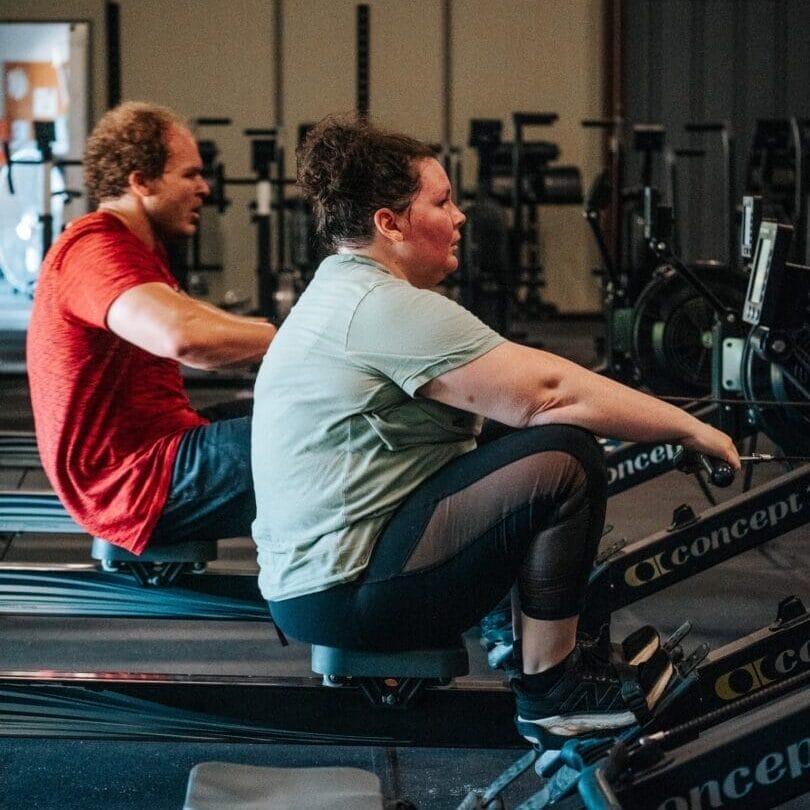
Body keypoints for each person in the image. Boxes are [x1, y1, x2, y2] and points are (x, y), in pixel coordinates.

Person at [249, 115, 739, 746]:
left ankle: (547, 650)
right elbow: (549, 394)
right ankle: (551, 692)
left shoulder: (345, 292)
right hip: (347, 594)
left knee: (515, 443)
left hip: (324, 584)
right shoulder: (382, 307)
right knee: (565, 457)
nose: (459, 217)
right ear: (388, 223)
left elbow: (526, 395)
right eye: (442, 202)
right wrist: (688, 429)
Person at [27, 101, 276, 555]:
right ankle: (354, 610)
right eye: (189, 174)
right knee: (336, 440)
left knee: (315, 410)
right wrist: (307, 341)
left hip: (161, 450)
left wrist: (285, 337)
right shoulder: (93, 249)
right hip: (134, 482)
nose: (204, 187)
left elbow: (193, 315)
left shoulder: (135, 251)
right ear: (140, 180)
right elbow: (182, 335)